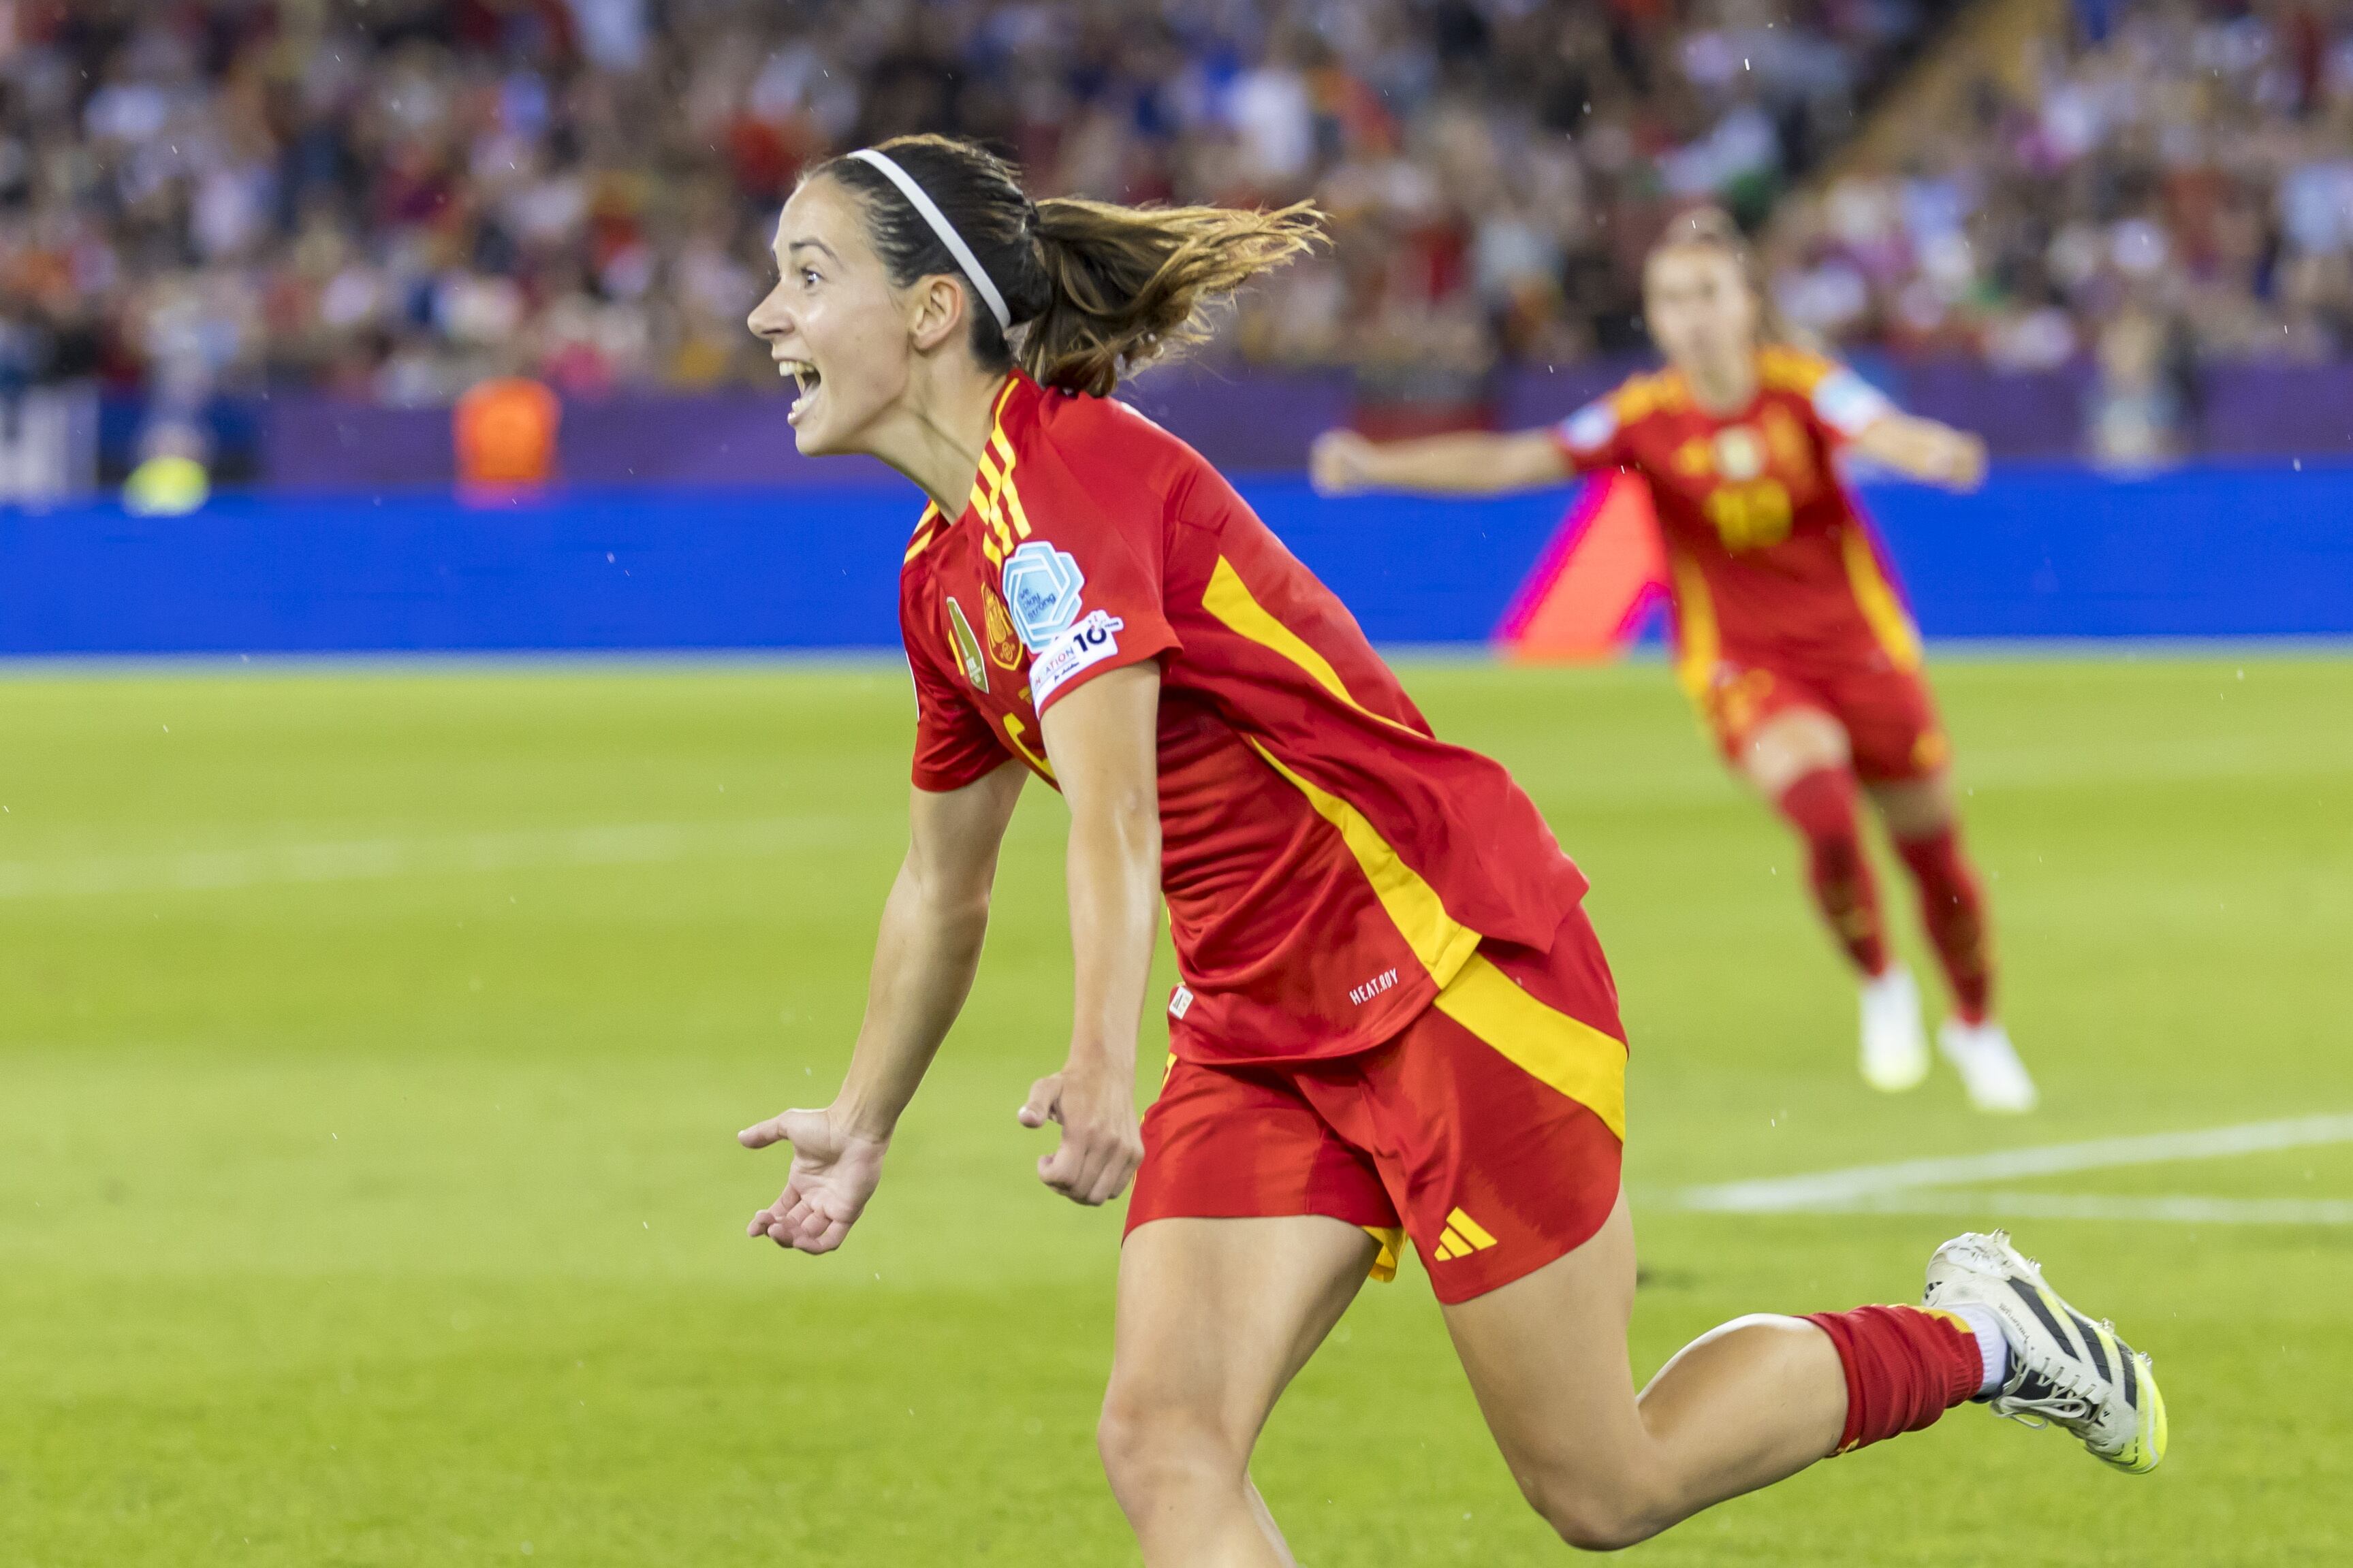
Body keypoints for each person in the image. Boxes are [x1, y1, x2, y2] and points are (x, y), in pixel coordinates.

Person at [736, 137, 2162, 1563]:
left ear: (932, 312)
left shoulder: (1072, 486)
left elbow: (1115, 812)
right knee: (1164, 1442)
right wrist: (864, 1122)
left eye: (809, 275)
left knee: (1604, 1487)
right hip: (1257, 1032)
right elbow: (944, 882)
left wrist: (1101, 1061)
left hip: (1452, 969)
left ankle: (1977, 1335)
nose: (767, 316)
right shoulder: (942, 579)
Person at [1312, 208, 2037, 1114]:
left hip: (1864, 654)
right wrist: (1382, 466)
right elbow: (1515, 461)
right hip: (1748, 663)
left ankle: (1975, 1027)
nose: (1691, 315)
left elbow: (1882, 429)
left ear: (1745, 303)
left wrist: (1933, 451)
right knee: (1819, 806)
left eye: (1706, 293)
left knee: (1933, 855)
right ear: (1654, 319)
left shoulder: (1805, 387)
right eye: (1671, 299)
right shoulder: (1643, 417)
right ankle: (1882, 982)